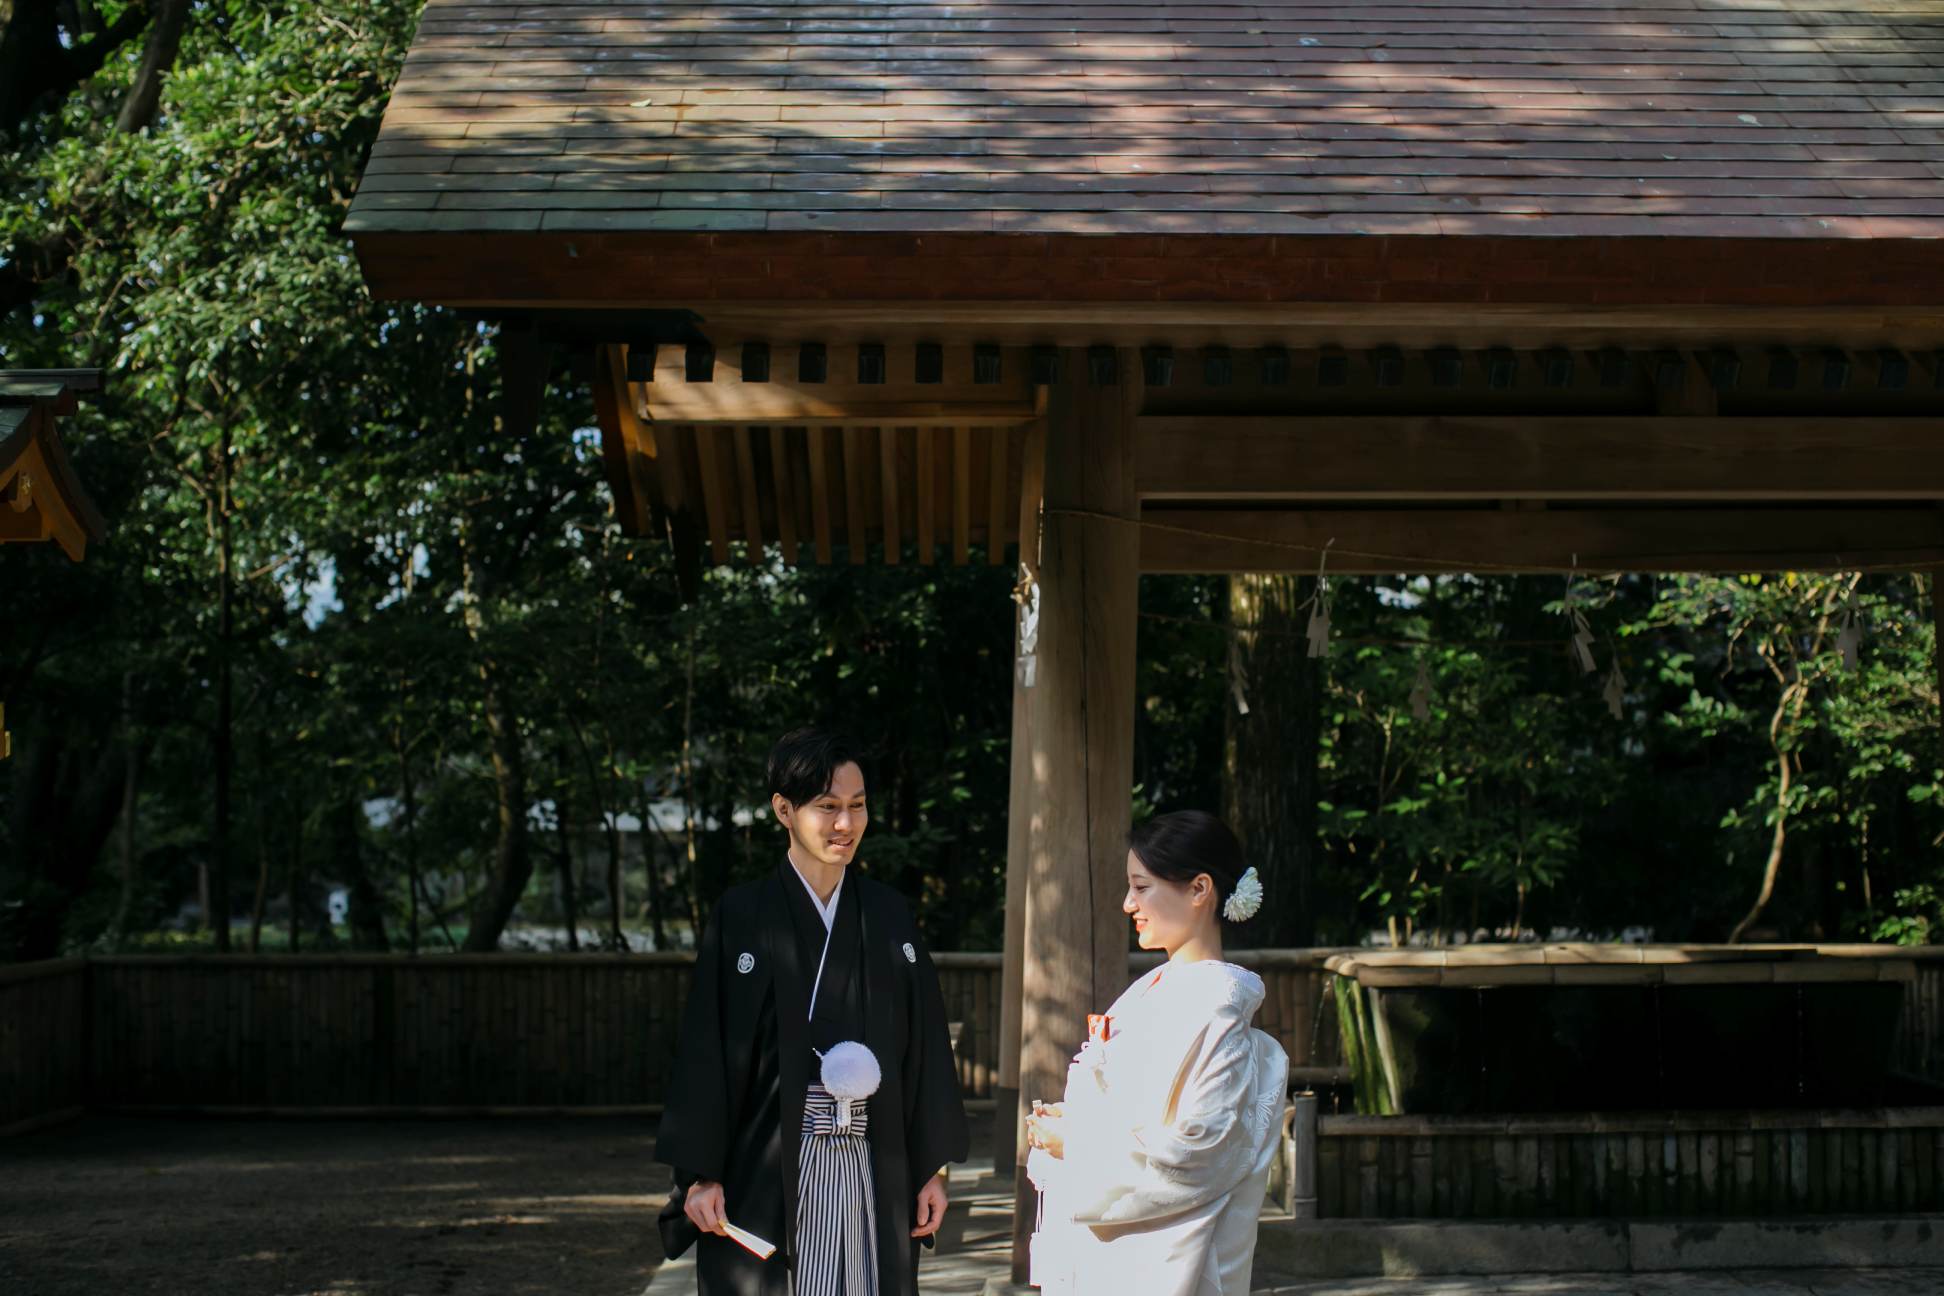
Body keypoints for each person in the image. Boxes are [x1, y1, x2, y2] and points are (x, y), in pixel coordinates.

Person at [656, 728, 970, 1296]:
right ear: (784, 809)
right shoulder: (743, 915)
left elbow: (921, 1046)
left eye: (857, 806)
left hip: (874, 1161)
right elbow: (707, 1049)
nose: (845, 825)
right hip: (770, 1164)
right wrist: (701, 1176)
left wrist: (932, 1169)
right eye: (827, 808)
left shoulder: (888, 914)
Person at [1022, 811, 1290, 1296]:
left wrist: (1076, 1141)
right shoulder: (1152, 991)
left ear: (1199, 889)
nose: (1128, 903)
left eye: (1142, 887)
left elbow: (1200, 1149)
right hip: (1118, 1249)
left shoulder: (1216, 1008)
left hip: (1161, 1265)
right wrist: (1074, 1117)